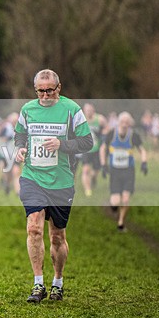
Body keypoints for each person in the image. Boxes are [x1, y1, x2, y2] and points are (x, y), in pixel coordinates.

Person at [14, 69, 93, 303]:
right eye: (41, 91)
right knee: (34, 228)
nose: (46, 95)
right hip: (32, 177)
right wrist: (19, 148)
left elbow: (87, 142)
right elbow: (19, 135)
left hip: (61, 181)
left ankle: (57, 282)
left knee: (57, 236)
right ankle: (38, 284)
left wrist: (62, 144)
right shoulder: (27, 110)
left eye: (50, 90)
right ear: (35, 90)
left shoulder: (72, 110)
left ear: (59, 88)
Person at [100, 112, 148, 232]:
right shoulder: (111, 134)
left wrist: (144, 163)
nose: (125, 125)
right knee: (115, 201)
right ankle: (114, 207)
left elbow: (142, 150)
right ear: (118, 122)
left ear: (130, 124)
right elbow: (103, 148)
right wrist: (103, 164)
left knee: (126, 199)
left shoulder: (134, 135)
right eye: (122, 122)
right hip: (115, 171)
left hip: (128, 171)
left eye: (127, 122)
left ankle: (121, 223)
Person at [75, 103, 105, 197]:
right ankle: (88, 190)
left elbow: (107, 129)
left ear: (93, 110)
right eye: (87, 110)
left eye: (90, 110)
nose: (89, 112)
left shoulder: (100, 119)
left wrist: (103, 135)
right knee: (85, 170)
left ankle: (93, 177)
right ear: (84, 111)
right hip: (85, 150)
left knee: (96, 170)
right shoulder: (80, 120)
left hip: (97, 149)